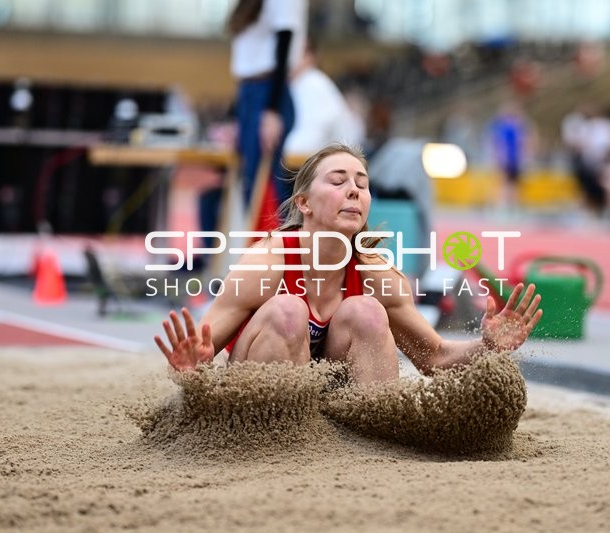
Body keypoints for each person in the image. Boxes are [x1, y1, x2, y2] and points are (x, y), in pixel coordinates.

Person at [156, 144, 542, 384]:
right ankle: (274, 436)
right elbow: (198, 357)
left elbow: (435, 358)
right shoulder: (266, 262)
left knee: (366, 312)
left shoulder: (378, 275)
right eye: (338, 181)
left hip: (330, 407)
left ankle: (372, 438)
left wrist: (487, 346)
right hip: (259, 399)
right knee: (288, 310)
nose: (354, 190)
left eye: (361, 183)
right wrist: (190, 367)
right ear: (304, 203)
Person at [198, 0, 307, 239]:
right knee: (249, 186)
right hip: (249, 92)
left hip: (268, 94)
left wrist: (272, 110)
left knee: (268, 188)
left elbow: (284, 42)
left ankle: (286, 255)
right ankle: (265, 254)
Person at [284, 38, 365, 156]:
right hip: (328, 156)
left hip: (341, 159)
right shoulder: (297, 84)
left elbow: (306, 142)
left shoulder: (313, 83)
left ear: (309, 57)